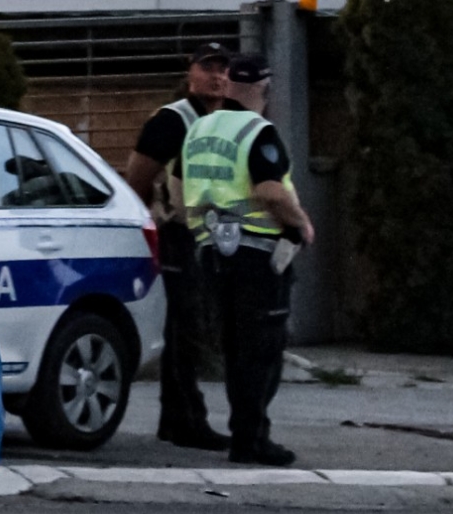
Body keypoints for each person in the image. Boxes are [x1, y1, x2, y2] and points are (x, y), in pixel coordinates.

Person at [179, 53, 314, 466]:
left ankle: (245, 435)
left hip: (210, 252)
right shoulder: (260, 132)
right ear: (264, 90)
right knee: (261, 350)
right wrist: (303, 225)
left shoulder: (198, 130)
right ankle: (251, 439)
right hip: (256, 254)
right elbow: (271, 191)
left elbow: (175, 186)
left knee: (234, 349)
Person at [122, 44, 232, 449]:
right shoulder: (172, 120)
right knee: (183, 330)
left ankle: (177, 417)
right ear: (191, 73)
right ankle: (186, 418)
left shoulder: (225, 121)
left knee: (192, 329)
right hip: (176, 236)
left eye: (223, 68)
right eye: (208, 68)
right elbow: (136, 180)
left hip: (210, 238)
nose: (217, 76)